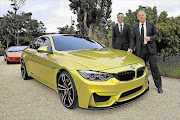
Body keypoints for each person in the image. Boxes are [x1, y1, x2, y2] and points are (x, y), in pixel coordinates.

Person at [128, 10, 163, 93]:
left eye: (143, 15)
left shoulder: (151, 24)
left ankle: (159, 86)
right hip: (141, 51)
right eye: (140, 15)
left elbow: (156, 35)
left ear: (145, 16)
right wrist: (130, 48)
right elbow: (133, 39)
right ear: (137, 17)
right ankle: (142, 85)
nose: (141, 16)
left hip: (151, 50)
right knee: (141, 69)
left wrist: (150, 38)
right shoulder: (135, 27)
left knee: (154, 68)